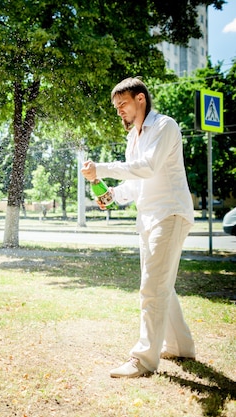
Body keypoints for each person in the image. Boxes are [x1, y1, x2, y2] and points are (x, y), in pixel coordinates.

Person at [81, 77, 195, 378]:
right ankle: (181, 346)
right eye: (116, 107)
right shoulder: (133, 137)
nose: (119, 111)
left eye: (123, 104)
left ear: (140, 99)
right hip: (148, 218)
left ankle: (143, 359)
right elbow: (135, 183)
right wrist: (112, 194)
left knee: (152, 287)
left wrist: (102, 168)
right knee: (161, 284)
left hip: (169, 214)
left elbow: (149, 167)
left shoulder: (165, 127)